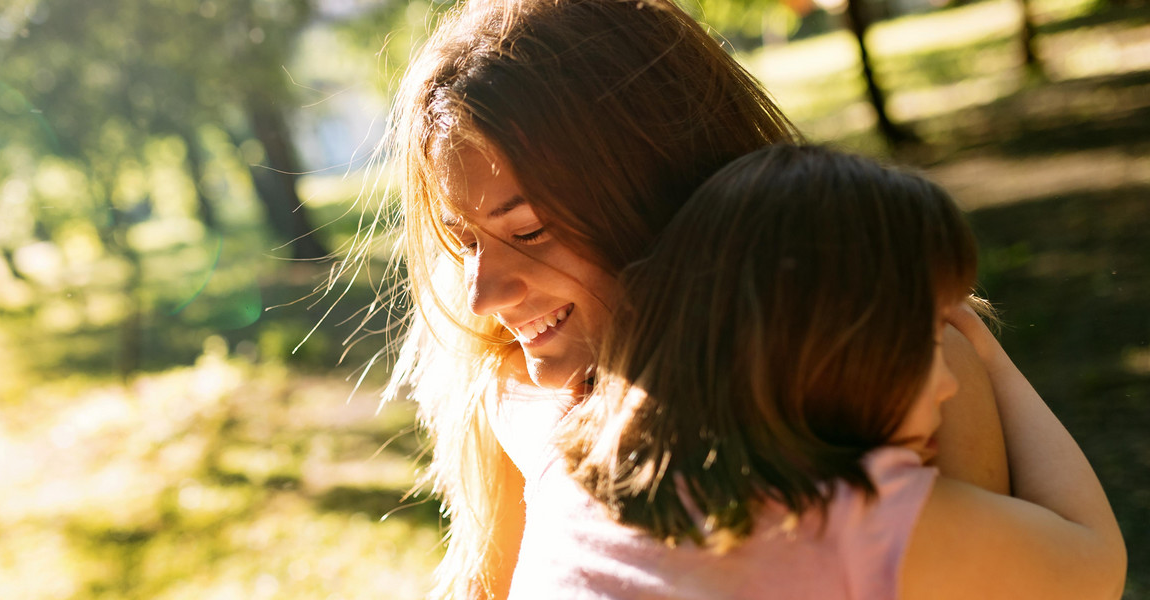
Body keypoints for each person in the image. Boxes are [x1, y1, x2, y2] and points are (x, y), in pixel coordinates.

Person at [380, 0, 1007, 596]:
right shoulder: (514, 391)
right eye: (463, 243)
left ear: (661, 189)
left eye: (530, 231)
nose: (482, 294)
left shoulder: (910, 370)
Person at [548, 145, 1126, 599]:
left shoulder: (575, 481)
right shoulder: (845, 522)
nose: (949, 380)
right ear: (839, 354)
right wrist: (991, 354)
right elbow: (1095, 563)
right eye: (927, 340)